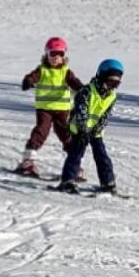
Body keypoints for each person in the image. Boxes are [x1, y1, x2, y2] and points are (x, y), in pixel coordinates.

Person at [16, 36, 84, 176]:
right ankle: (28, 161)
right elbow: (32, 77)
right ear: (47, 54)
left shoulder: (66, 71)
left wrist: (82, 90)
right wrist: (28, 81)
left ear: (64, 56)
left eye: (60, 54)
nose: (56, 57)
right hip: (45, 108)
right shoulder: (42, 70)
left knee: (66, 134)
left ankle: (74, 164)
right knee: (41, 131)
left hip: (62, 110)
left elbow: (74, 82)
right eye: (53, 53)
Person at [57, 58, 123, 194]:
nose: (112, 87)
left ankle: (108, 182)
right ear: (102, 76)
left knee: (102, 155)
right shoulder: (87, 91)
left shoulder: (112, 96)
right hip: (80, 130)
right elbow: (81, 111)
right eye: (110, 82)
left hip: (95, 132)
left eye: (116, 84)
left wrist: (96, 130)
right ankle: (68, 181)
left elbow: (105, 116)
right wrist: (83, 130)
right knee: (76, 154)